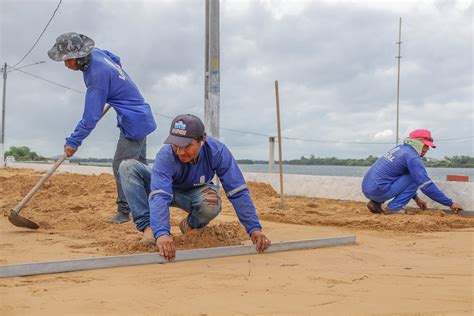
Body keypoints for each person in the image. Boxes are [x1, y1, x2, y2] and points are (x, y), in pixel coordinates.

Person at [118, 114, 271, 260]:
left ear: (202, 140)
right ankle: (148, 228)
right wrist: (162, 233)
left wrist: (254, 229)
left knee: (211, 203)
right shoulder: (166, 155)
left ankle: (191, 225)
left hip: (194, 192)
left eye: (187, 146)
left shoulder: (217, 152)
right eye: (176, 145)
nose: (180, 152)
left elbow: (237, 191)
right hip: (165, 188)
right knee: (128, 167)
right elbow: (159, 195)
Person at [48, 32, 157, 224]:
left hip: (133, 121)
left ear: (80, 57)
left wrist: (74, 141)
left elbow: (91, 117)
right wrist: (116, 83)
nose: (66, 65)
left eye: (68, 60)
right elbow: (116, 59)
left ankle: (125, 212)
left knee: (122, 167)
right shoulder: (97, 53)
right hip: (140, 116)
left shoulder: (96, 77)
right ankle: (153, 206)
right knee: (140, 169)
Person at [361, 129, 463, 215]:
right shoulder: (413, 157)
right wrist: (450, 203)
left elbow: (402, 180)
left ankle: (375, 203)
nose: (427, 149)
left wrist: (417, 199)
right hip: (379, 191)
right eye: (425, 146)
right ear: (417, 144)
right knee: (418, 178)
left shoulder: (399, 149)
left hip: (367, 189)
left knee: (413, 176)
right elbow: (426, 185)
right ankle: (394, 208)